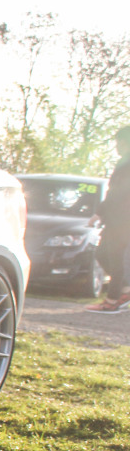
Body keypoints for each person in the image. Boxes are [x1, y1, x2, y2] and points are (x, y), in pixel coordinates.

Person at [84, 125, 130, 312]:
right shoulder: (123, 163)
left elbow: (116, 193)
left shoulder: (126, 165)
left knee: (114, 258)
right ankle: (126, 290)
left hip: (121, 220)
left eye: (118, 142)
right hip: (117, 219)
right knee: (103, 254)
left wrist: (98, 213)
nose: (116, 146)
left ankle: (112, 302)